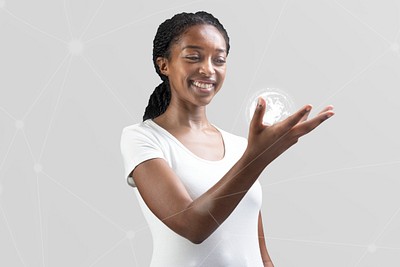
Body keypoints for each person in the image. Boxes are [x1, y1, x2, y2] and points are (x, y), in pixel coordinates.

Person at [120, 11, 334, 267]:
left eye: (219, 60)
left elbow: (260, 253)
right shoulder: (143, 139)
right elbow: (193, 227)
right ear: (163, 64)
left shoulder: (241, 147)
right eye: (193, 57)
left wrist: (253, 155)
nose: (208, 69)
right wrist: (257, 158)